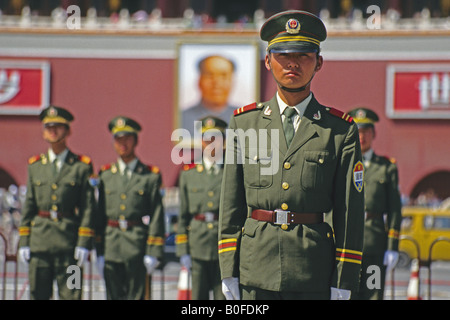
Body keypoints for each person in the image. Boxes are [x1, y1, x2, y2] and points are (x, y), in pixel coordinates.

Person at [218, 10, 365, 300]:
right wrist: (227, 270)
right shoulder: (245, 123)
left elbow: (349, 213)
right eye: (283, 54)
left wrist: (344, 279)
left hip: (312, 271)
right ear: (268, 61)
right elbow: (230, 206)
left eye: (304, 55)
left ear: (319, 62)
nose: (293, 63)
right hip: (255, 268)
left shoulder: (339, 131)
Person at [17, 105, 96, 300]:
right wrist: (24, 242)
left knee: (73, 295)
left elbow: (88, 207)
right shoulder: (35, 165)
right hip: (40, 245)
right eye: (48, 127)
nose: (53, 131)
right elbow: (29, 206)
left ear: (68, 130)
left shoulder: (81, 166)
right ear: (43, 132)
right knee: (38, 295)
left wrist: (84, 242)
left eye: (58, 127)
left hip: (70, 246)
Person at [95, 116, 166, 300]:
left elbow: (157, 215)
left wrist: (154, 252)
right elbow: (99, 214)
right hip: (112, 247)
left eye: (127, 138)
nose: (122, 143)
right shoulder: (105, 175)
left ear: (136, 140)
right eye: (118, 139)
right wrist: (99, 251)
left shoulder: (149, 176)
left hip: (137, 246)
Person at [348, 107, 402, 300]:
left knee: (373, 293)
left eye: (366, 131)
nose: (362, 136)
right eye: (358, 131)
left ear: (374, 134)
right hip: (346, 242)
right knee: (346, 293)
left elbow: (395, 210)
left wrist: (392, 246)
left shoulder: (386, 167)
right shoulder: (343, 164)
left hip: (374, 243)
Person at [176, 116, 227, 300]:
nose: (211, 144)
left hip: (225, 245)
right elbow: (183, 215)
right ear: (201, 142)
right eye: (207, 139)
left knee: (224, 297)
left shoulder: (232, 171)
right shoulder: (189, 174)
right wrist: (183, 250)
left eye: (216, 138)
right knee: (198, 298)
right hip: (197, 245)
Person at [182, 55, 238, 136]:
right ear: (199, 81)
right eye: (209, 75)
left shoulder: (245, 118)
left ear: (232, 81)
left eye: (223, 76)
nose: (216, 83)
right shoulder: (182, 118)